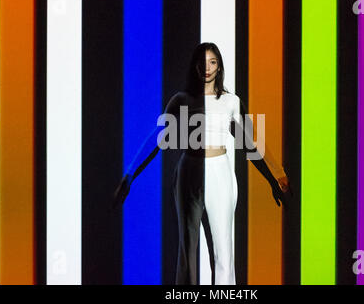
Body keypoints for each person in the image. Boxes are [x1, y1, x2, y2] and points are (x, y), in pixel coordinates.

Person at [113, 42, 292, 285]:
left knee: (223, 254)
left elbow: (251, 142)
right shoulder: (180, 100)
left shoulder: (231, 102)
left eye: (213, 62)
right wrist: (130, 173)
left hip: (220, 173)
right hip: (189, 171)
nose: (207, 68)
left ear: (219, 67)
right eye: (202, 62)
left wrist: (275, 175)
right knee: (188, 251)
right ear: (194, 66)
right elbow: (157, 137)